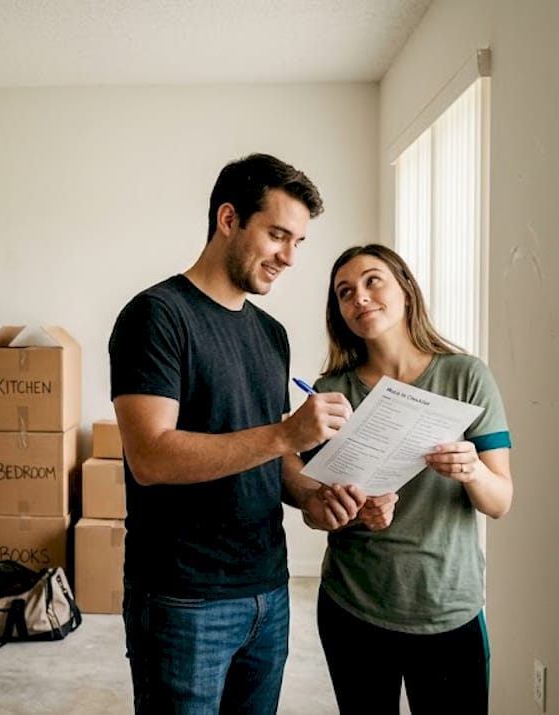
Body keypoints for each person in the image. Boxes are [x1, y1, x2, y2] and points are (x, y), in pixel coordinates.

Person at [108, 154, 398, 714]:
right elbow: (152, 457)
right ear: (228, 219)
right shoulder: (156, 316)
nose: (289, 257)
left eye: (299, 242)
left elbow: (273, 461)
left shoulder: (271, 334)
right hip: (182, 597)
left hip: (268, 588)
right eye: (277, 235)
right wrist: (287, 433)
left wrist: (319, 497)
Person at [306, 243, 513, 714]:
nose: (359, 297)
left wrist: (473, 469)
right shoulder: (331, 392)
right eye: (344, 292)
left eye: (372, 280)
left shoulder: (467, 377)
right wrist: (356, 513)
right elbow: (317, 514)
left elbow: (500, 501)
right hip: (352, 605)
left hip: (446, 608)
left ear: (406, 289)